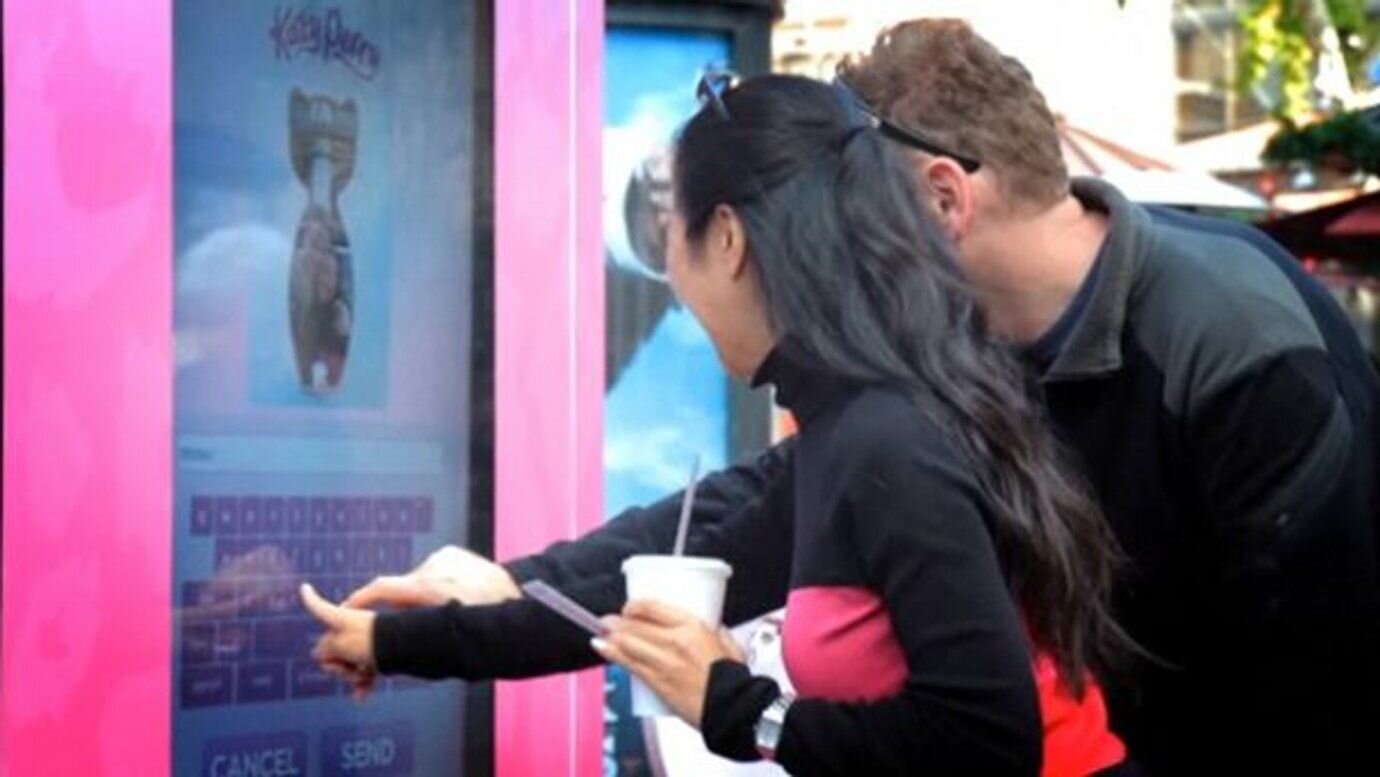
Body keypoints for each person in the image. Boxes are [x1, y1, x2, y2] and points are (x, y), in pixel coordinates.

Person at [316, 19, 1380, 775]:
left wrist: (745, 710)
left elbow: (1324, 685)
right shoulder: (932, 378)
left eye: (850, 198)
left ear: (942, 197)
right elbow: (739, 525)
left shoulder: (1237, 346)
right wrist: (498, 590)